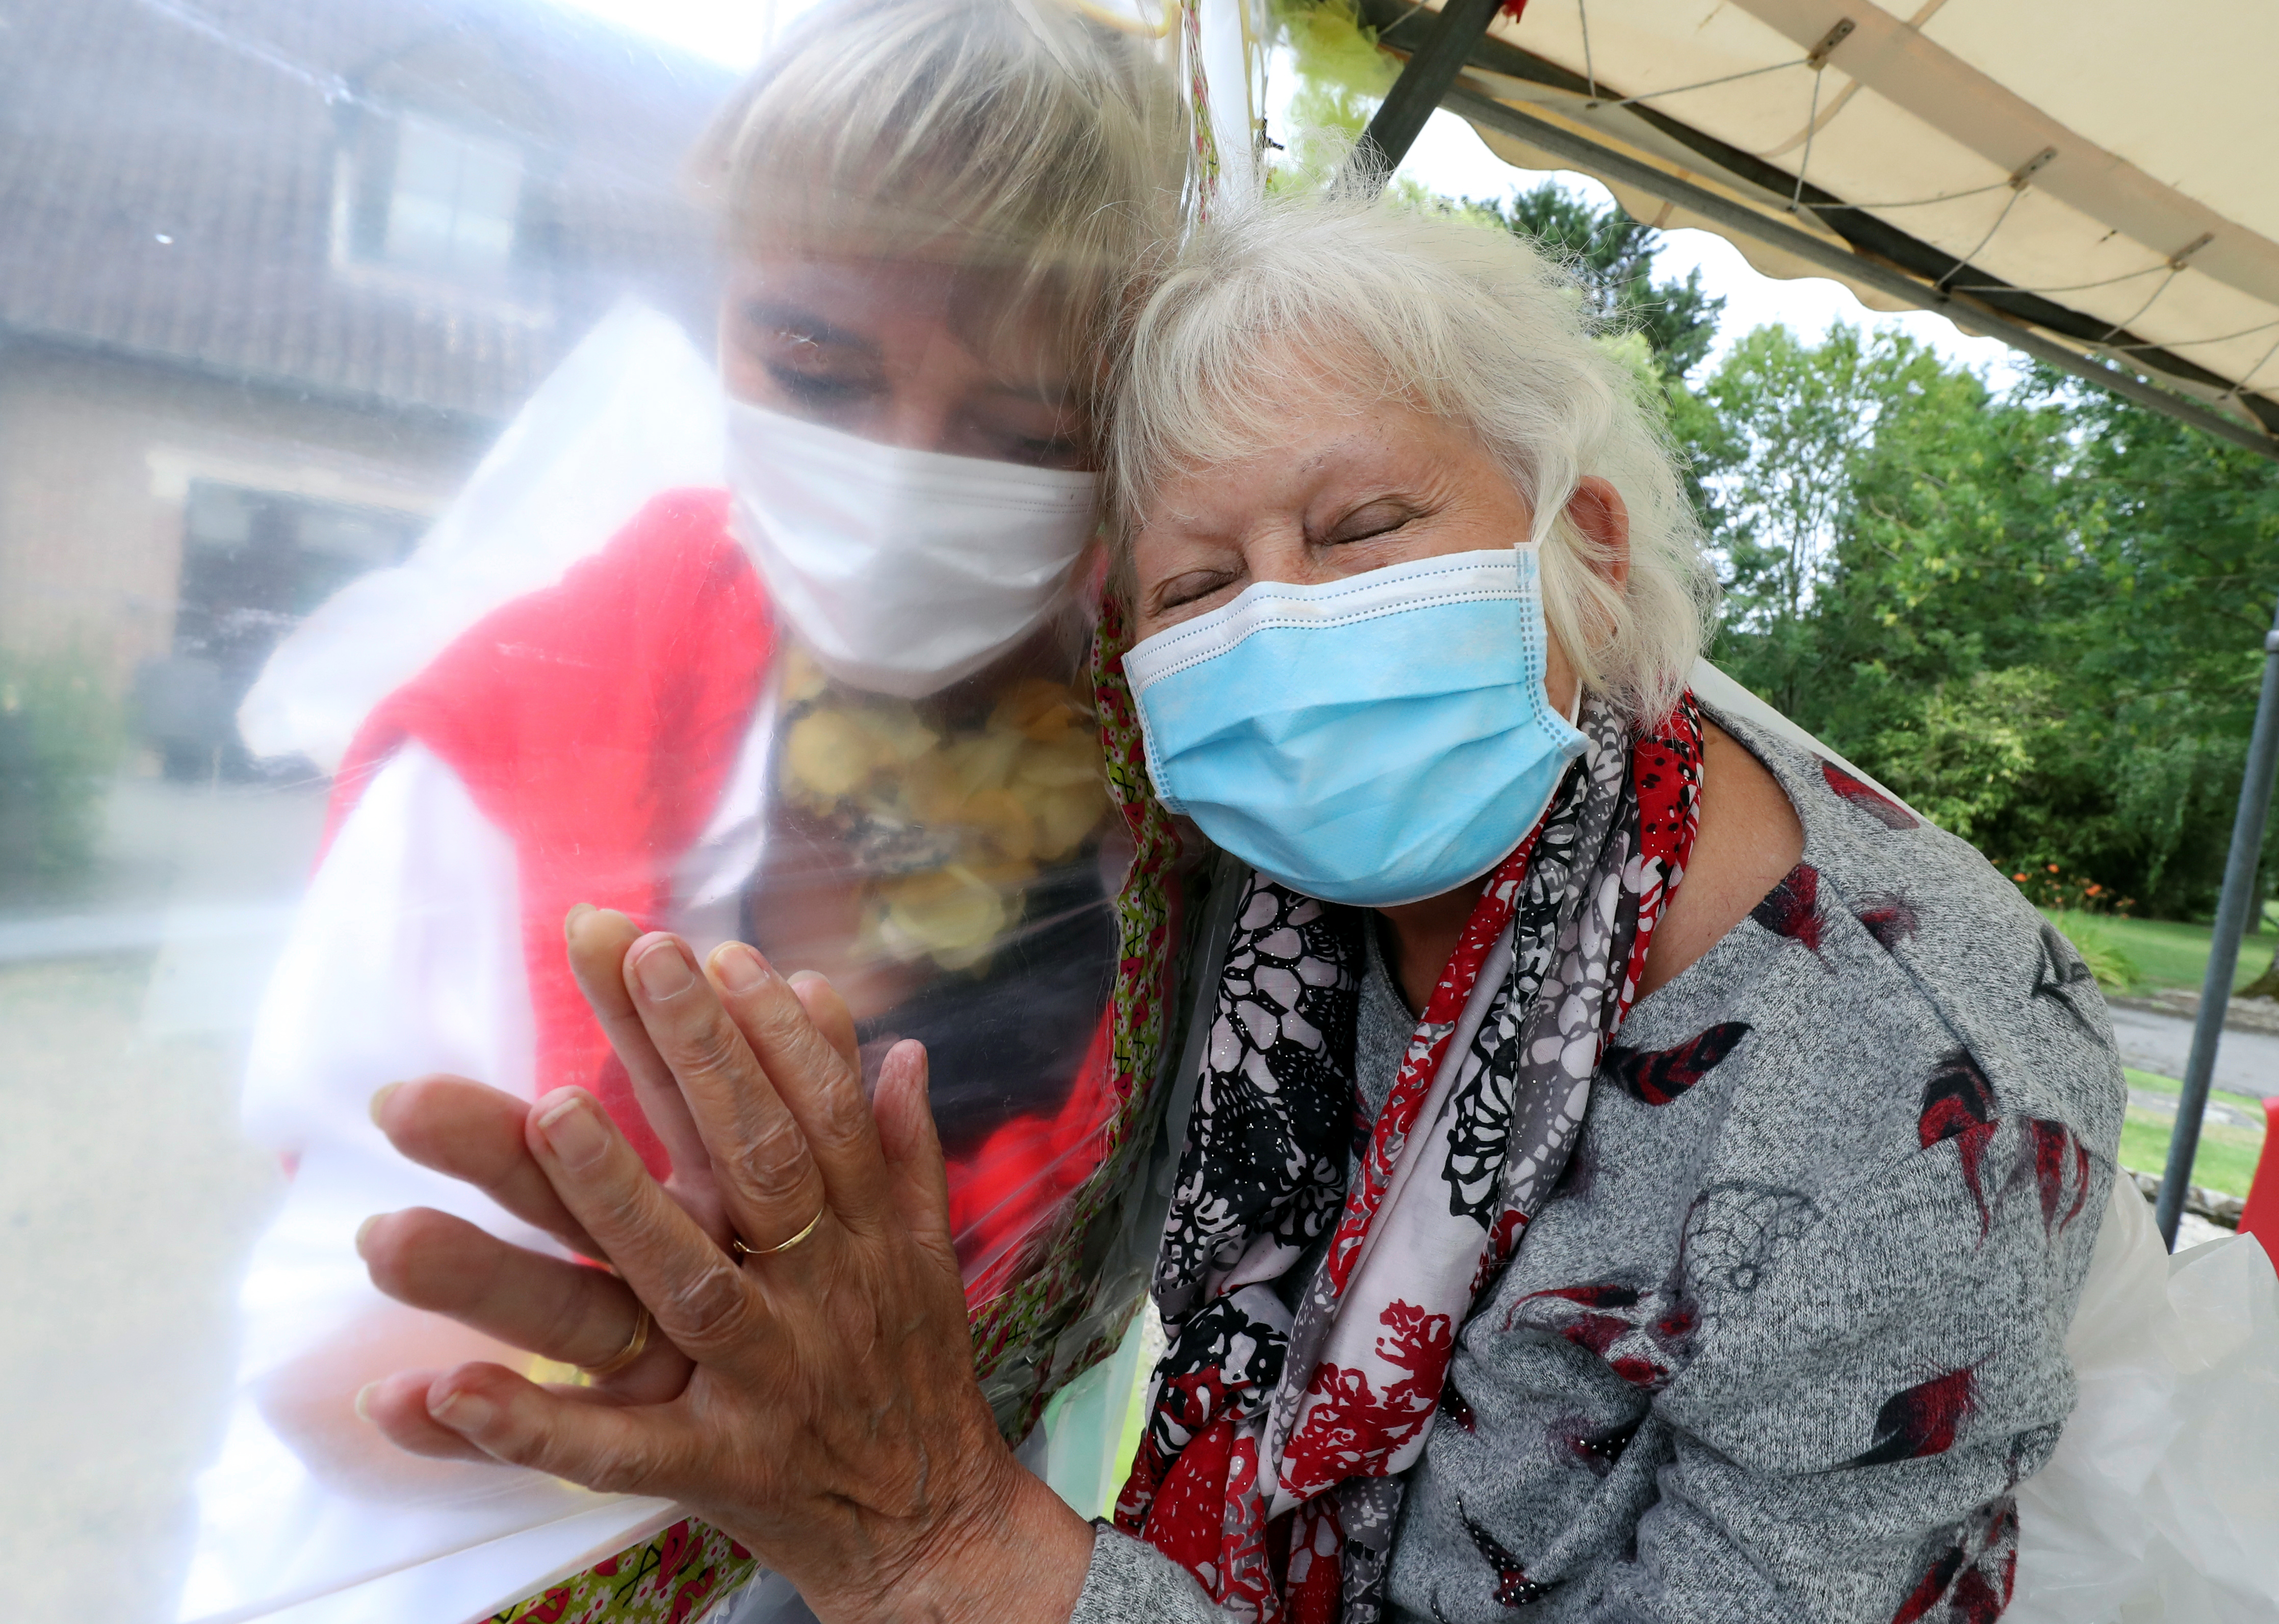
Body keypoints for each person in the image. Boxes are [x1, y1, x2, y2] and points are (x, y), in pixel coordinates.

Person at [354, 187, 2145, 1623]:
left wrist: (942, 1548)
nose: (1277, 630)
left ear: (1584, 546)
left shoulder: (1920, 1107)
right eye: (1199, 583)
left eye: (1362, 527)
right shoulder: (1243, 883)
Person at [182, 5, 1187, 1619]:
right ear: (719, 307)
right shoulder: (514, 737)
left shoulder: (1175, 820)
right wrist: (735, 1384)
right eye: (815, 365)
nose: (905, 472)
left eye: (1028, 434)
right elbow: (326, 1352)